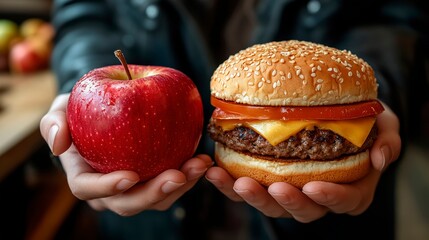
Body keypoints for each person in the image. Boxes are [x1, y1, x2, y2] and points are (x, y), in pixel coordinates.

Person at [39, 0, 427, 239]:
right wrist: (82, 97)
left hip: (329, 231)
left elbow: (391, 16)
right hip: (148, 212)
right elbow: (86, 16)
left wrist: (384, 91)